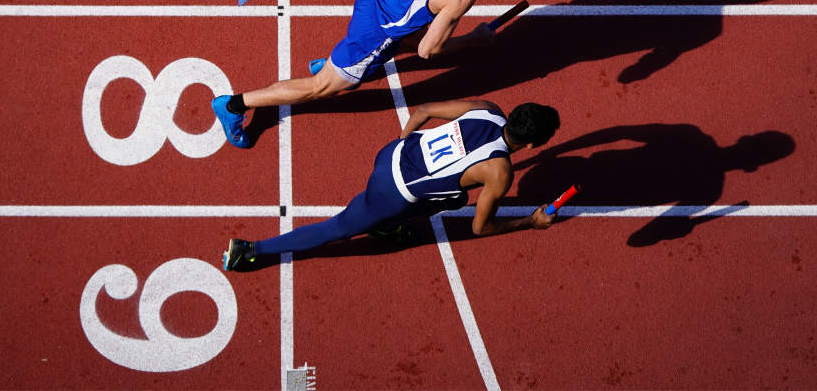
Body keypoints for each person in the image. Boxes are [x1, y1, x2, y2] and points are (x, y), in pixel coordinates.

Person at [211, 0, 517, 148]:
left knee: (394, 42)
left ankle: (337, 63)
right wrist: (473, 40)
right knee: (319, 87)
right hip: (378, 33)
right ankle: (233, 105)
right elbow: (428, 50)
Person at [221, 97, 562, 269]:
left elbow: (424, 111)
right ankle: (250, 251)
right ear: (531, 146)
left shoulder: (486, 108)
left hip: (391, 152)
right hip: (392, 191)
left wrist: (402, 148)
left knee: (453, 197)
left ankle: (384, 226)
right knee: (336, 228)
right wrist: (529, 222)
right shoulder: (500, 173)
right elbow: (479, 228)